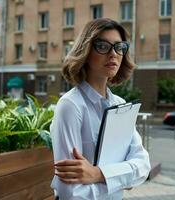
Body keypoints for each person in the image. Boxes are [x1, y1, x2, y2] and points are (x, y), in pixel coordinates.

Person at [50, 18, 151, 200]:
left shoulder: (120, 105)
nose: (113, 54)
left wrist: (98, 174)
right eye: (103, 46)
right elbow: (70, 193)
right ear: (86, 51)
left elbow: (143, 165)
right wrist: (121, 180)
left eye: (119, 47)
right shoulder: (70, 106)